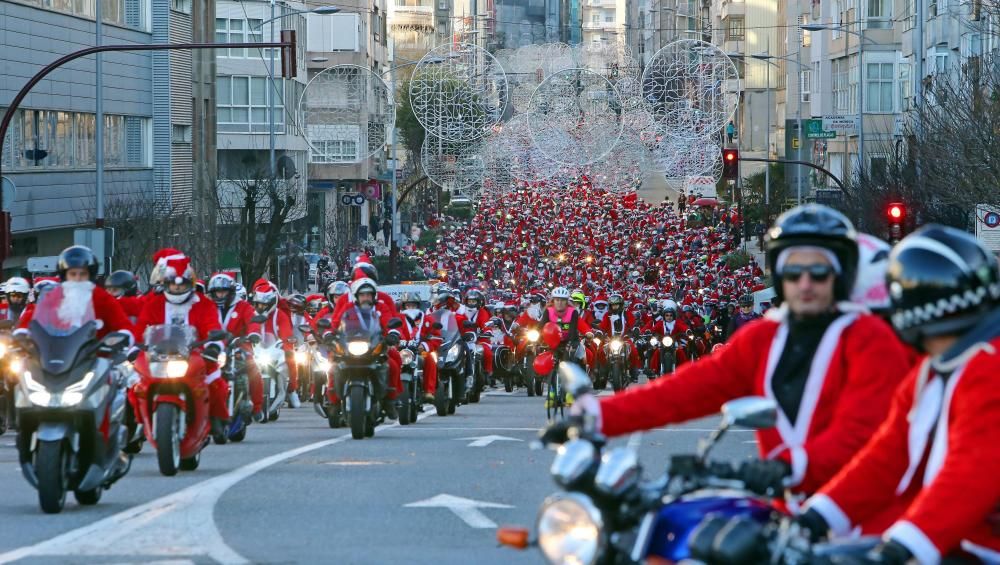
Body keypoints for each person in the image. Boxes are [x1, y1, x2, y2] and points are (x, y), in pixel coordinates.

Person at [569, 204, 913, 496]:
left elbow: (862, 434)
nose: (805, 283)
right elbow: (688, 389)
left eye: (819, 272)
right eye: (793, 271)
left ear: (841, 276)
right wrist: (598, 417)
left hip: (865, 521)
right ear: (779, 276)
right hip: (786, 510)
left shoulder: (871, 340)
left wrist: (788, 468)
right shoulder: (762, 337)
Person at [796, 225, 1000, 563]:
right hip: (956, 546)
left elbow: (972, 473)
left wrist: (903, 545)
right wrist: (814, 516)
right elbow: (885, 457)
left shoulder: (988, 368)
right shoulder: (933, 371)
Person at [133, 251, 229, 441]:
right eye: (173, 285)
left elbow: (213, 327)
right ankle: (138, 422)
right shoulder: (154, 303)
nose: (177, 289)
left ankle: (217, 419)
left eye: (182, 285)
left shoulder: (203, 304)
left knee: (216, 382)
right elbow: (140, 327)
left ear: (190, 284)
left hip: (193, 355)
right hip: (157, 355)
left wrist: (214, 346)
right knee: (135, 385)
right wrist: (134, 348)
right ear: (166, 284)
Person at [16, 246, 135, 343]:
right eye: (73, 274)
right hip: (55, 357)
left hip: (94, 360)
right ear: (64, 275)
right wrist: (22, 331)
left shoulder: (102, 298)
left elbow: (122, 323)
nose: (78, 278)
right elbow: (36, 316)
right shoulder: (54, 296)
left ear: (90, 275)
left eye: (82, 274)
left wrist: (124, 336)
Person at [207, 273, 266, 421]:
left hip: (238, 346)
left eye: (223, 291)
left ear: (231, 292)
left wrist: (254, 333)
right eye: (217, 292)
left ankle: (257, 407)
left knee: (253, 368)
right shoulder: (207, 306)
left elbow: (252, 320)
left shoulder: (243, 306)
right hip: (213, 348)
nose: (220, 295)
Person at [247, 279, 301, 408]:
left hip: (275, 349)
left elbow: (286, 332)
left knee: (291, 357)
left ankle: (292, 388)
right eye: (259, 304)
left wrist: (287, 343)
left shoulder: (280, 315)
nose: (261, 307)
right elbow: (246, 330)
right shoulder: (250, 313)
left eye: (265, 305)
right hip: (256, 349)